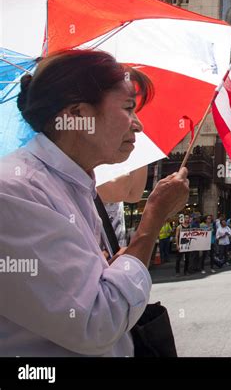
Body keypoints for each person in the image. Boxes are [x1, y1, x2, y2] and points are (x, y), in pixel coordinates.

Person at [0, 50, 189, 356]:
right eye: (128, 108)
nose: (138, 125)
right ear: (77, 115)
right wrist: (153, 218)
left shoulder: (76, 187)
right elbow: (96, 321)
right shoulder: (15, 191)